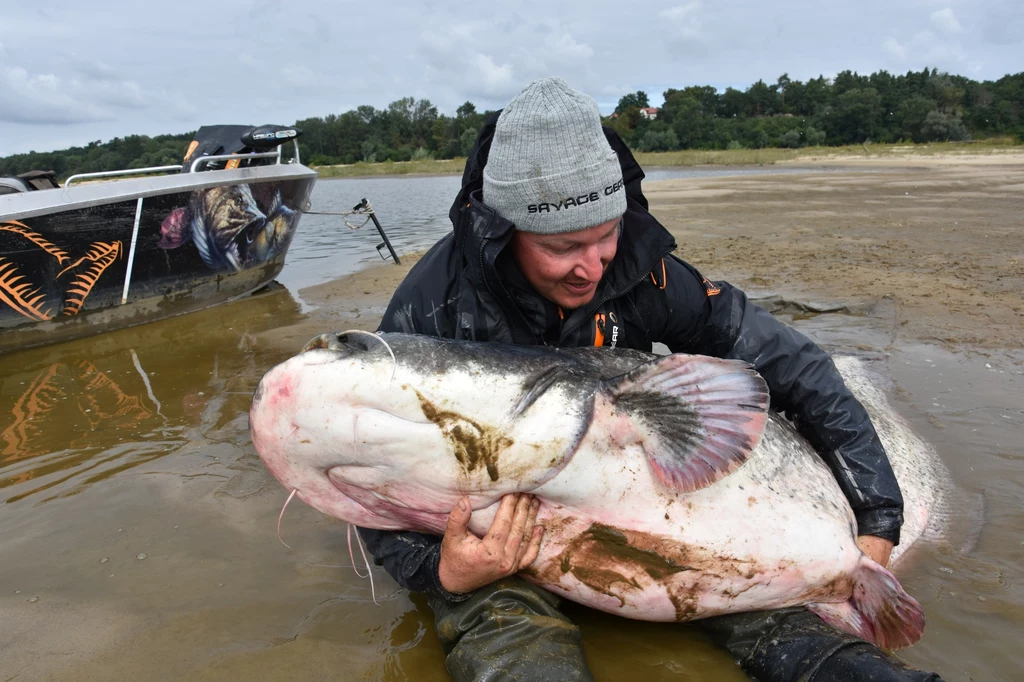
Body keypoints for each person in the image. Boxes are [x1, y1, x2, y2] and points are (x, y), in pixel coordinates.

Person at [358, 77, 943, 682]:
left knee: (767, 602)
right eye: (563, 247)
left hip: (633, 491)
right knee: (502, 622)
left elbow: (795, 367)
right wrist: (441, 570)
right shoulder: (431, 307)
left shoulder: (640, 268)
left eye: (605, 234)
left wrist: (877, 520)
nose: (592, 267)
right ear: (505, 232)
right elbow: (363, 469)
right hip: (503, 531)